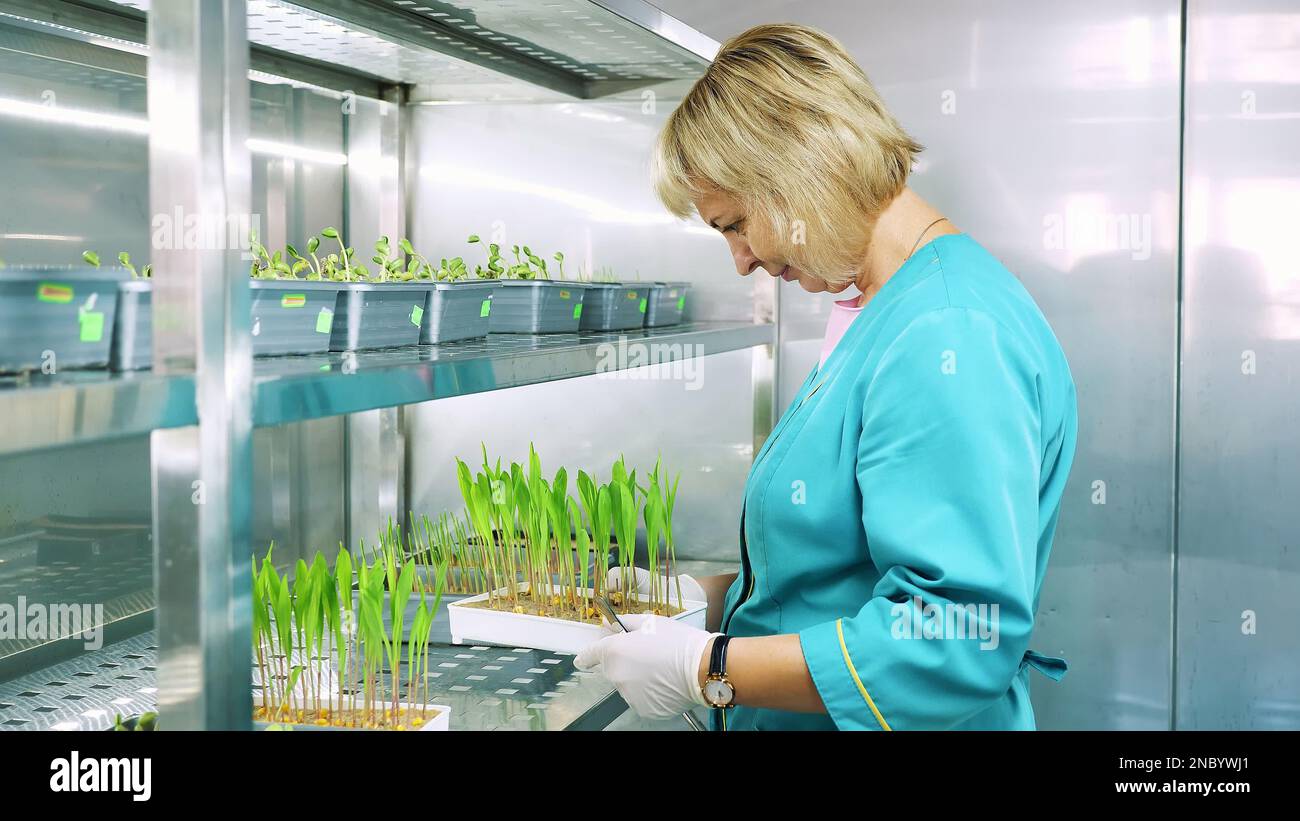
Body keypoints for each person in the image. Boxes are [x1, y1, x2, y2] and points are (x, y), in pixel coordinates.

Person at [573, 23, 1078, 730]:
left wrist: (708, 668)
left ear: (796, 168)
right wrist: (694, 602)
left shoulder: (947, 331)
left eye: (737, 223)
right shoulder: (888, 308)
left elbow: (955, 635)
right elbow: (840, 568)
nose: (741, 261)